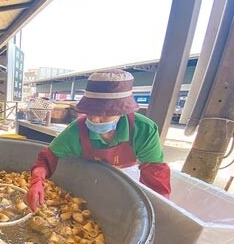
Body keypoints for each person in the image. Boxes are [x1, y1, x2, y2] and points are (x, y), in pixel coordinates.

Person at [27, 69, 171, 212]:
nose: (95, 119)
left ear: (121, 112)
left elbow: (155, 173)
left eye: (105, 114)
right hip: (87, 181)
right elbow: (47, 157)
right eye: (90, 112)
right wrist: (37, 181)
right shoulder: (76, 130)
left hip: (123, 182)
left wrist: (159, 211)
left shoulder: (143, 130)